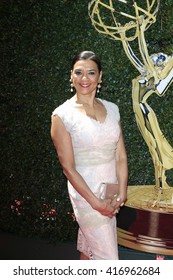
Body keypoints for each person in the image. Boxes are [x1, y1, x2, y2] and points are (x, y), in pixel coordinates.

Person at [51, 51, 128, 260]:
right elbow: (68, 167)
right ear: (71, 76)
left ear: (100, 77)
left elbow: (120, 156)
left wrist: (121, 192)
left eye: (91, 73)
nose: (85, 78)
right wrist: (95, 203)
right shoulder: (62, 115)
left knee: (89, 249)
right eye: (79, 72)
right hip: (85, 194)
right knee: (108, 258)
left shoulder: (113, 109)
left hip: (110, 191)